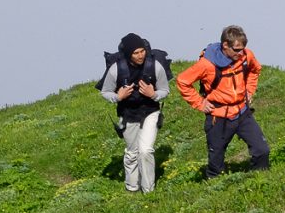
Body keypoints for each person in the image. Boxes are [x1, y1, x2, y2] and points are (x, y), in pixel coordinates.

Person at [176, 25, 270, 176]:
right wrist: (200, 103)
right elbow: (182, 81)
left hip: (242, 112)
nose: (241, 53)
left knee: (262, 150)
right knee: (216, 163)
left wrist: (249, 90)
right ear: (225, 45)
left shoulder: (247, 56)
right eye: (237, 49)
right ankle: (214, 190)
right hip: (218, 117)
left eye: (243, 48)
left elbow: (255, 70)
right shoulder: (207, 64)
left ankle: (259, 179)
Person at [99, 33, 170, 193]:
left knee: (145, 150)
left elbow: (165, 90)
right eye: (136, 53)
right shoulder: (116, 69)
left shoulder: (155, 66)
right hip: (127, 114)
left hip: (150, 112)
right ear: (128, 54)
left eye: (142, 51)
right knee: (132, 153)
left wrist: (154, 95)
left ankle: (148, 191)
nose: (140, 55)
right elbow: (105, 92)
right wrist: (118, 97)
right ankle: (132, 188)